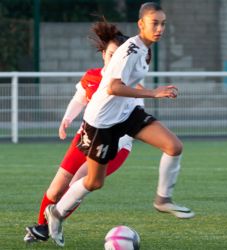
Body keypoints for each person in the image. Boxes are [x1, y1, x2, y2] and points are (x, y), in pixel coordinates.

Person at [44, 2, 194, 247]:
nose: (159, 29)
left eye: (163, 23)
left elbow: (126, 85)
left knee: (173, 146)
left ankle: (162, 199)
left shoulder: (145, 49)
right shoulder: (131, 50)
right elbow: (113, 87)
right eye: (154, 23)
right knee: (94, 182)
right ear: (141, 24)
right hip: (101, 122)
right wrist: (153, 93)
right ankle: (57, 213)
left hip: (126, 113)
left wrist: (144, 95)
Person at [24, 20, 134, 243]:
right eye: (112, 54)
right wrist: (66, 118)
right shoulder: (92, 76)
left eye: (121, 56)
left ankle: (54, 223)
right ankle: (41, 228)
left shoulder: (128, 83)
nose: (115, 60)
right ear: (103, 53)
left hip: (115, 145)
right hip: (84, 138)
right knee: (55, 191)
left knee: (77, 183)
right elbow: (80, 99)